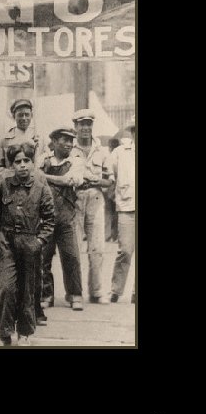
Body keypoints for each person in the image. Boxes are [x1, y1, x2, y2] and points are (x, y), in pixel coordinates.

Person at [0, 142, 55, 346]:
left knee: (28, 290)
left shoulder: (42, 189)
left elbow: (50, 221)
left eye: (27, 161)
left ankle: (25, 332)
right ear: (11, 165)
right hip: (7, 243)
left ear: (32, 163)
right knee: (7, 288)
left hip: (30, 244)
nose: (23, 165)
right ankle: (4, 332)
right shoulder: (3, 185)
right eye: (18, 162)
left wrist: (39, 241)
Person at [37, 128, 85, 320]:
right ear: (54, 141)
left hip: (67, 216)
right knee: (43, 257)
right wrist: (49, 179)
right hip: (45, 216)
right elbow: (34, 180)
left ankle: (75, 294)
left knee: (71, 256)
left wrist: (46, 177)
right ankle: (46, 295)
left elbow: (71, 180)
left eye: (71, 140)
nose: (69, 144)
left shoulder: (77, 160)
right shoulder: (42, 158)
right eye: (64, 140)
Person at [70, 109, 113, 304]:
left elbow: (109, 181)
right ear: (76, 127)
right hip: (75, 200)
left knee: (97, 249)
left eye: (88, 124)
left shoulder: (101, 151)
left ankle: (96, 291)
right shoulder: (69, 150)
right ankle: (74, 292)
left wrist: (94, 180)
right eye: (82, 124)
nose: (85, 128)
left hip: (95, 200)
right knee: (75, 248)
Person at [108, 116, 136, 303]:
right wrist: (113, 193)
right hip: (127, 206)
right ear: (133, 132)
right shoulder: (120, 152)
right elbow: (109, 175)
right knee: (125, 250)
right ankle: (116, 290)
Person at [0, 99, 45, 179]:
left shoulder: (40, 139)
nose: (24, 118)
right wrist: (12, 174)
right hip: (12, 185)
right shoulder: (4, 140)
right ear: (14, 116)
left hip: (35, 185)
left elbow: (46, 165)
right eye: (20, 115)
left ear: (32, 115)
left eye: (27, 115)